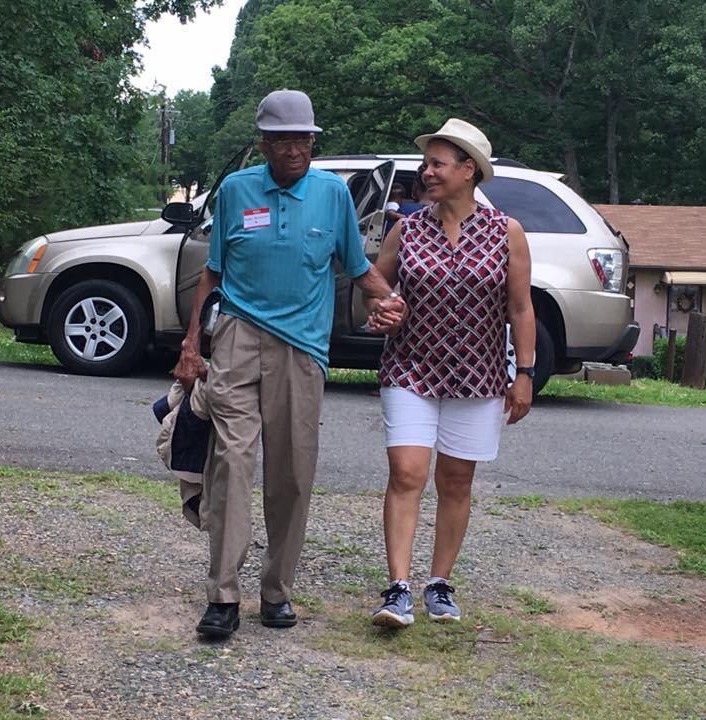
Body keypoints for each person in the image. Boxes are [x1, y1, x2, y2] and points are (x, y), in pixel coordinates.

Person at [174, 89, 405, 639]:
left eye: (303, 138)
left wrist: (385, 300)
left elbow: (356, 266)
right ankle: (223, 596)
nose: (295, 149)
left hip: (302, 349)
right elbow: (213, 272)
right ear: (265, 143)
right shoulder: (235, 190)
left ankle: (276, 591)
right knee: (231, 460)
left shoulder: (332, 195)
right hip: (237, 336)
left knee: (293, 473)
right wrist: (191, 344)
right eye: (283, 140)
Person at [366, 118, 536, 627]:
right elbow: (375, 282)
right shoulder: (408, 227)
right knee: (407, 473)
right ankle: (397, 588)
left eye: (437, 164)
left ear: (469, 170)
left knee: (457, 481)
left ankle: (438, 584)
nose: (427, 172)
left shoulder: (507, 233)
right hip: (410, 369)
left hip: (479, 376)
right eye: (427, 163)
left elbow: (521, 309)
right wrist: (381, 307)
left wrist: (523, 373)